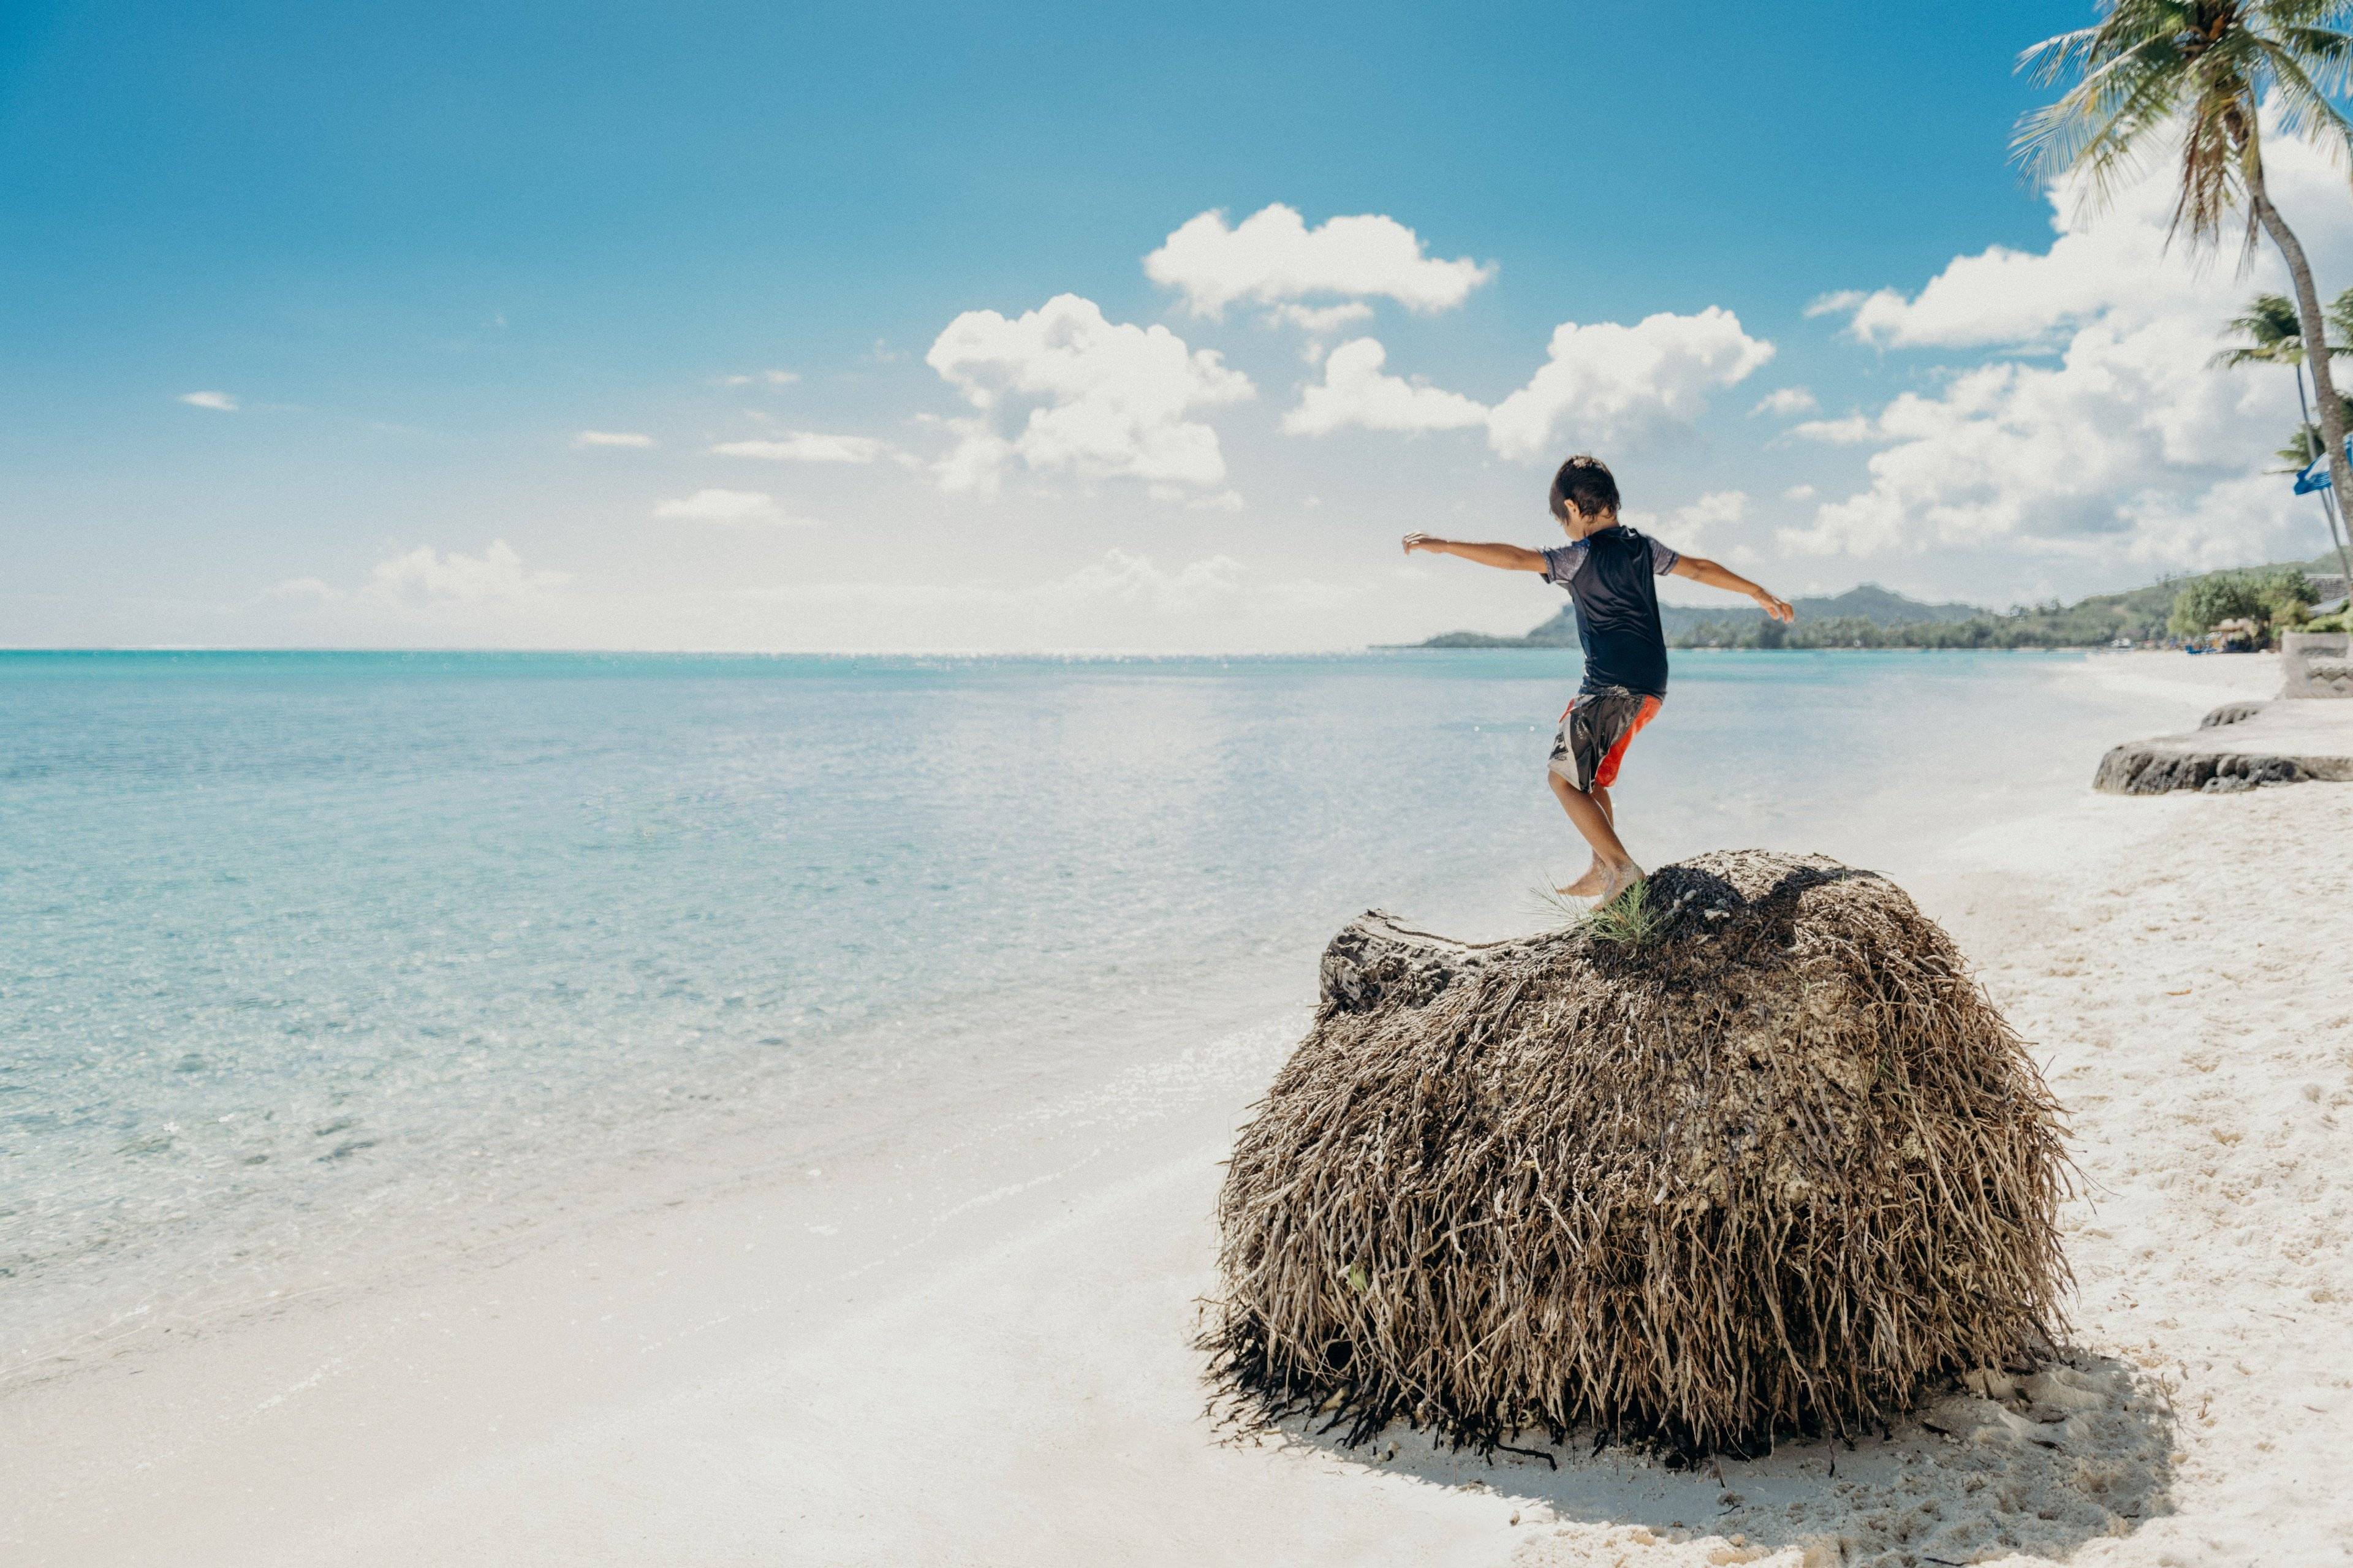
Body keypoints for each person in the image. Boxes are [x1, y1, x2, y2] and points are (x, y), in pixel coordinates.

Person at [1403, 455, 1795, 904]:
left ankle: (1622, 868)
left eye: (1561, 519)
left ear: (1572, 507)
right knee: (1591, 779)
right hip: (1650, 689)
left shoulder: (1578, 556)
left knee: (1563, 780)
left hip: (1611, 687)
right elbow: (1701, 569)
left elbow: (1514, 559)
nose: (1563, 530)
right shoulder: (1644, 549)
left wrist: (1446, 545)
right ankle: (1601, 869)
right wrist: (1758, 591)